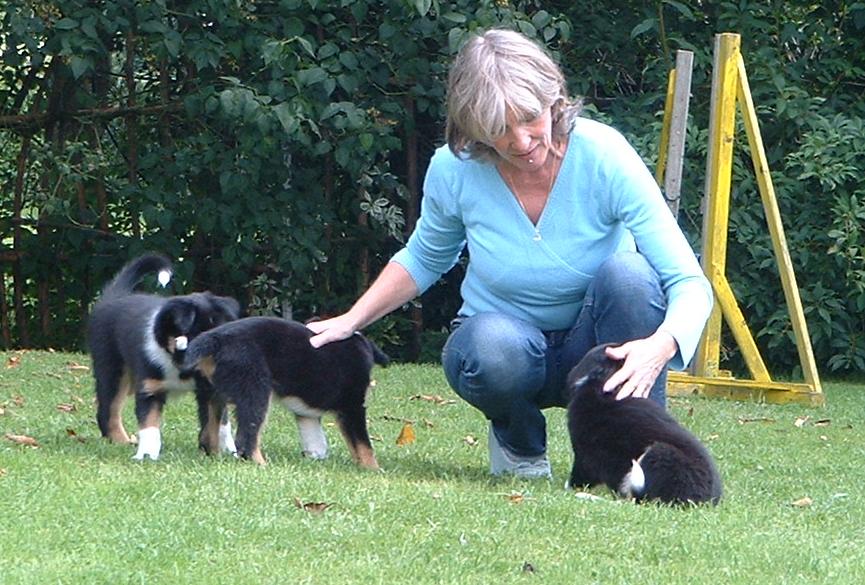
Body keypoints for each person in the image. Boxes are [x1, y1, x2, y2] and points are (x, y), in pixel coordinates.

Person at [307, 28, 713, 479]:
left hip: (597, 346)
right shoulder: (453, 169)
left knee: (631, 277)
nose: (521, 141)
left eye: (529, 117)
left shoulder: (604, 154)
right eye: (499, 129)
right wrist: (351, 320)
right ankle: (520, 446)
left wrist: (662, 345)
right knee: (489, 349)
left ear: (554, 101)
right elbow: (424, 256)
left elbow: (688, 281)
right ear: (473, 129)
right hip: (509, 348)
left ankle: (635, 454)